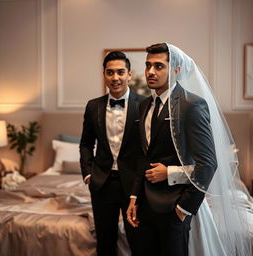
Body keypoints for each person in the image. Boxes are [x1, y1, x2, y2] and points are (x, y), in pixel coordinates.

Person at [127, 43, 252, 256]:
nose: (150, 72)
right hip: (144, 205)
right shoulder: (143, 105)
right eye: (148, 66)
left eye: (158, 66)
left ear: (175, 70)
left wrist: (183, 209)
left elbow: (208, 163)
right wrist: (133, 198)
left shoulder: (191, 105)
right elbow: (143, 155)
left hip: (175, 204)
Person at [80, 51, 145, 256]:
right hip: (102, 183)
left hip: (134, 185)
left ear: (129, 74)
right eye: (110, 72)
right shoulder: (93, 106)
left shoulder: (145, 105)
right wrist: (88, 173)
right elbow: (86, 144)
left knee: (138, 241)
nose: (115, 78)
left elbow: (148, 149)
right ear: (104, 74)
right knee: (105, 242)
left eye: (120, 72)